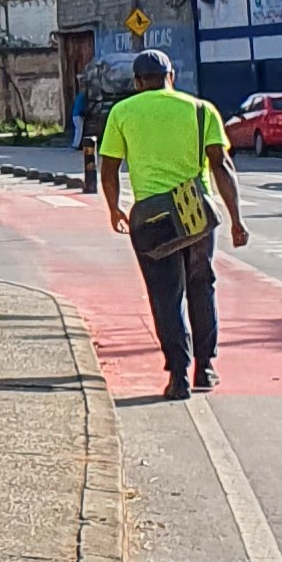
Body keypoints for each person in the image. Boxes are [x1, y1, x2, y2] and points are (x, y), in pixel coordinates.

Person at [96, 51, 248, 396]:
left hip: (151, 217)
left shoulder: (122, 113)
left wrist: (114, 209)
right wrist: (236, 219)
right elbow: (221, 166)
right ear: (171, 76)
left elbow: (108, 169)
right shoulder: (200, 109)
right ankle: (205, 369)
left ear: (137, 82)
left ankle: (178, 374)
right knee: (201, 285)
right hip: (196, 214)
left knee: (165, 295)